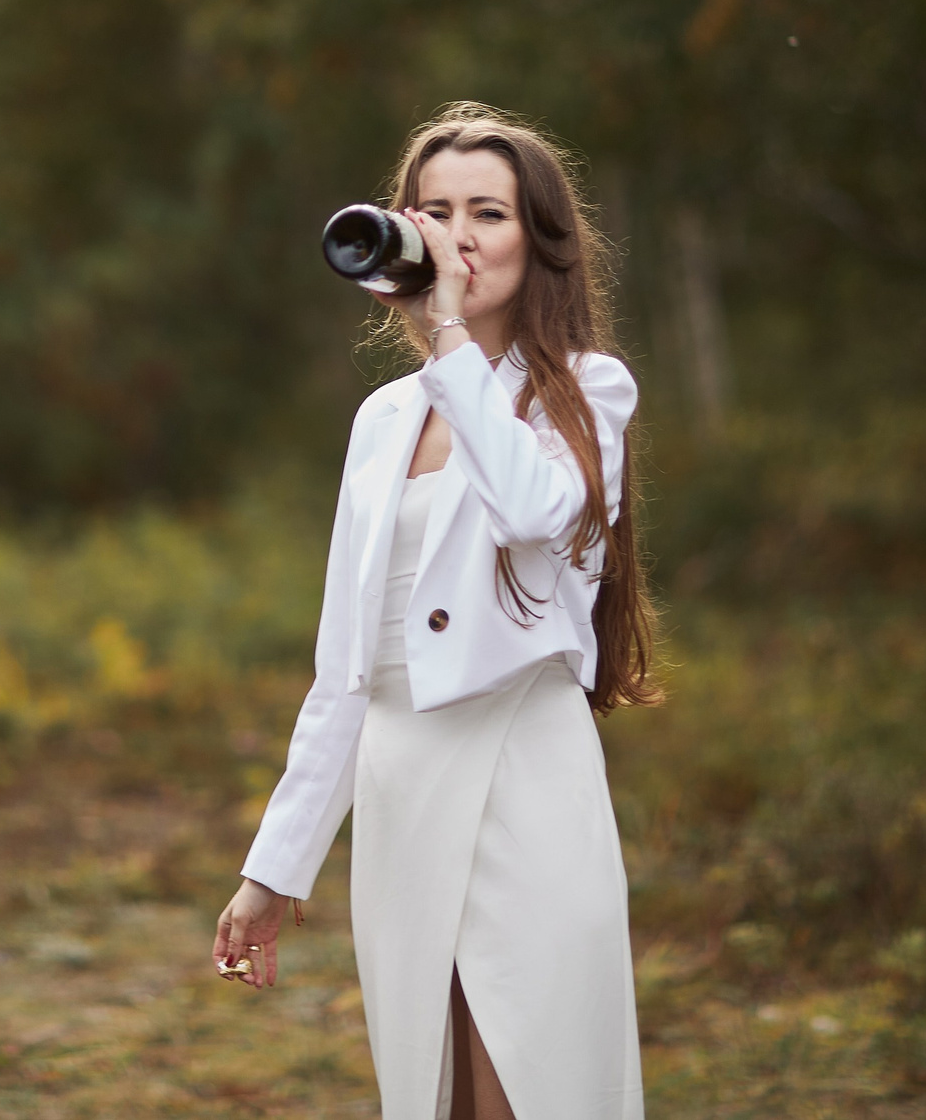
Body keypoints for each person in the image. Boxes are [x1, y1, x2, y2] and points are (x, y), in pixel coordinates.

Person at [212, 103, 660, 1120]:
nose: (459, 235)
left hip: (523, 774)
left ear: (535, 241)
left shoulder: (589, 392)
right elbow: (346, 670)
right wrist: (272, 869)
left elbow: (537, 508)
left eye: (488, 212)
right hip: (402, 784)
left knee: (534, 1084)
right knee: (435, 1091)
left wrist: (451, 339)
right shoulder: (381, 420)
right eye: (435, 209)